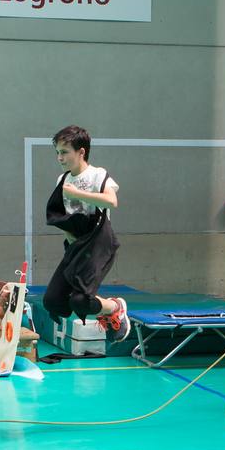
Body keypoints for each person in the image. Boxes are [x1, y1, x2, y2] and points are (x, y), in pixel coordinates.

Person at [42, 125, 130, 341]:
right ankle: (104, 308)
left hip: (99, 244)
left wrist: (78, 193)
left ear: (81, 152)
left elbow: (112, 201)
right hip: (76, 246)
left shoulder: (97, 175)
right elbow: (66, 215)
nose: (60, 158)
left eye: (64, 152)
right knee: (52, 301)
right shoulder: (62, 180)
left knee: (80, 301)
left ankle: (113, 307)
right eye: (57, 153)